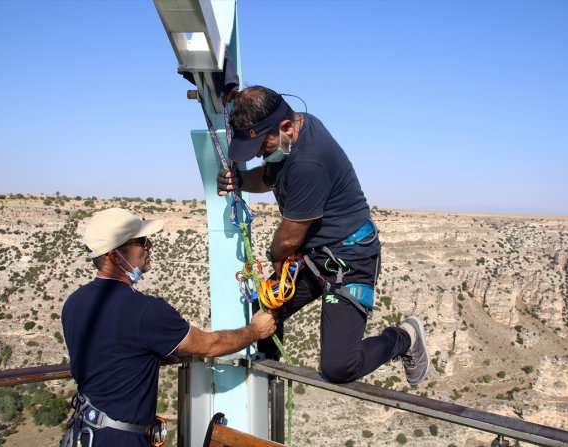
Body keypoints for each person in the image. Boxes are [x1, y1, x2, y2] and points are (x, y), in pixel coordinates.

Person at [217, 86, 430, 386]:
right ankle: (267, 378)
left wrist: (275, 258)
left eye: (263, 148)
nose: (261, 156)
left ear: (287, 127)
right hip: (316, 256)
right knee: (264, 310)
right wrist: (238, 180)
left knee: (339, 367)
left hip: (350, 261)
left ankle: (404, 337)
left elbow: (289, 239)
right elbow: (269, 176)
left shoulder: (309, 162)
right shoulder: (297, 126)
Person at [60, 208, 275, 447]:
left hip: (83, 431)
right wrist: (255, 331)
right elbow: (210, 345)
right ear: (113, 256)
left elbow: (115, 348)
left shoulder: (74, 302)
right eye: (140, 241)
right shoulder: (145, 310)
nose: (149, 245)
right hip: (121, 439)